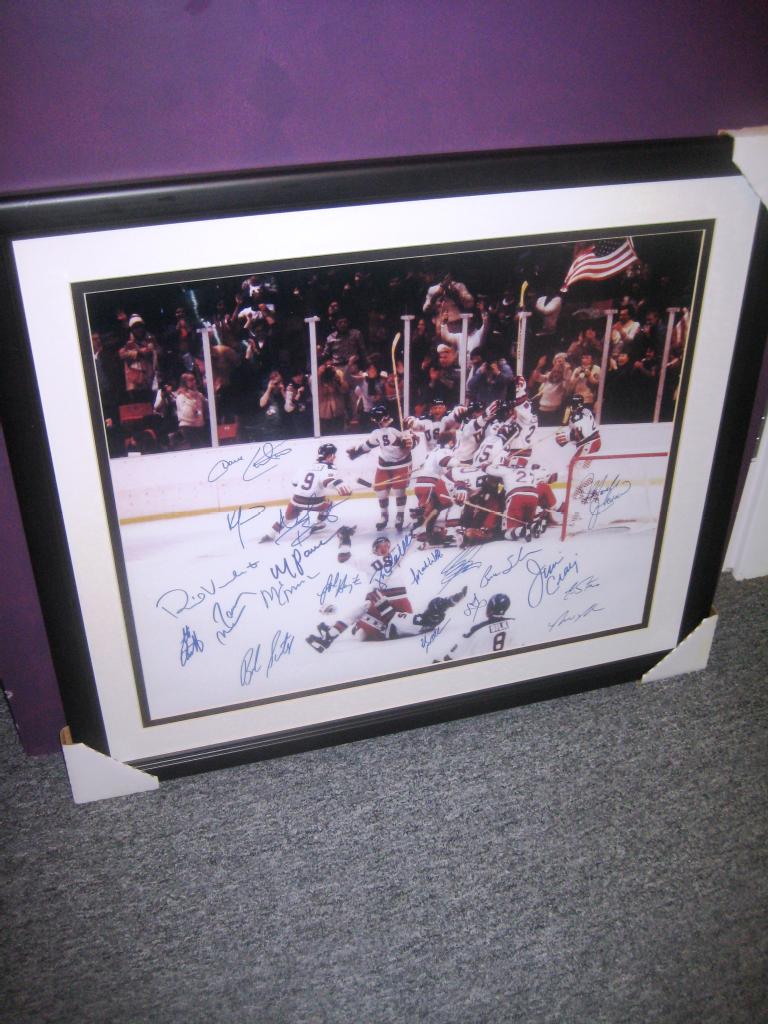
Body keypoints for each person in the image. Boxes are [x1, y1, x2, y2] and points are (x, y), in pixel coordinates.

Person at [260, 443, 352, 542]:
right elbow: (326, 481)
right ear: (330, 456)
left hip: (296, 501)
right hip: (315, 503)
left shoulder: (306, 466)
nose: (335, 457)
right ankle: (318, 524)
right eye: (334, 455)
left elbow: (295, 483)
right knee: (329, 503)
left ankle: (270, 534)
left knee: (287, 518)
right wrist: (338, 484)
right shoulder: (330, 467)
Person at [347, 404, 413, 531]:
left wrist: (409, 442)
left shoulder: (399, 425)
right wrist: (355, 453)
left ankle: (400, 515)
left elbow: (413, 441)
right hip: (384, 464)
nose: (378, 421)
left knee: (399, 490)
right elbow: (368, 445)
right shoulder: (377, 432)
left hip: (402, 463)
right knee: (380, 491)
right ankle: (384, 516)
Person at [174, 372, 208, 448]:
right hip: (188, 427)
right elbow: (187, 414)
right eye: (191, 380)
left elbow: (207, 406)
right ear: (184, 382)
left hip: (200, 426)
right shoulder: (181, 396)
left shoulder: (199, 395)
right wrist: (192, 400)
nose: (194, 382)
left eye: (194, 379)